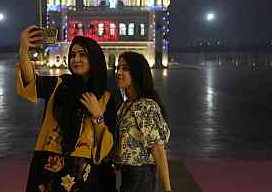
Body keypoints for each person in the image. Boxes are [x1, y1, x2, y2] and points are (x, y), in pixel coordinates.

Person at [16, 26, 117, 192]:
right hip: (50, 166)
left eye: (82, 55)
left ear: (94, 58)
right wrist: (24, 48)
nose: (76, 59)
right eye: (72, 55)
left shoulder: (105, 97)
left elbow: (108, 147)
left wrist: (98, 115)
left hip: (85, 173)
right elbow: (30, 81)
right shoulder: (59, 85)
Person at [114, 52, 171, 192]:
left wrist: (166, 188)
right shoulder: (127, 104)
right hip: (127, 175)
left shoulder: (145, 105)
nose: (119, 72)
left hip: (141, 176)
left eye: (125, 68)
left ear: (137, 72)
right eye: (118, 68)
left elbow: (158, 148)